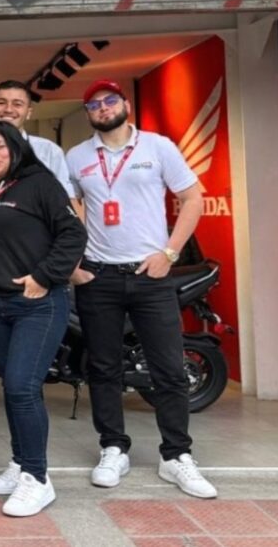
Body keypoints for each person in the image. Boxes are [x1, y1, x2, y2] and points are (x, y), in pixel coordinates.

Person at [65, 79, 216, 499]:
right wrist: (74, 263)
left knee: (168, 368)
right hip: (99, 277)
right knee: (103, 368)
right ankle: (113, 448)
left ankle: (177, 455)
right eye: (94, 104)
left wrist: (169, 252)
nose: (103, 108)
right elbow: (71, 208)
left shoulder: (158, 147)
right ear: (88, 113)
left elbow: (193, 199)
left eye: (110, 100)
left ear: (125, 105)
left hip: (151, 275)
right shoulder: (77, 157)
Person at [0, 118, 87, 517]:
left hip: (38, 304)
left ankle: (37, 478)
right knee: (13, 388)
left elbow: (73, 234)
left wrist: (44, 276)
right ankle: (20, 463)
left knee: (22, 386)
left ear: (16, 148)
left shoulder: (40, 184)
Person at [0, 80, 75, 198]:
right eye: (1, 103)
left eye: (17, 104)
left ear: (28, 113)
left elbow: (67, 198)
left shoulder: (49, 150)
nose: (8, 109)